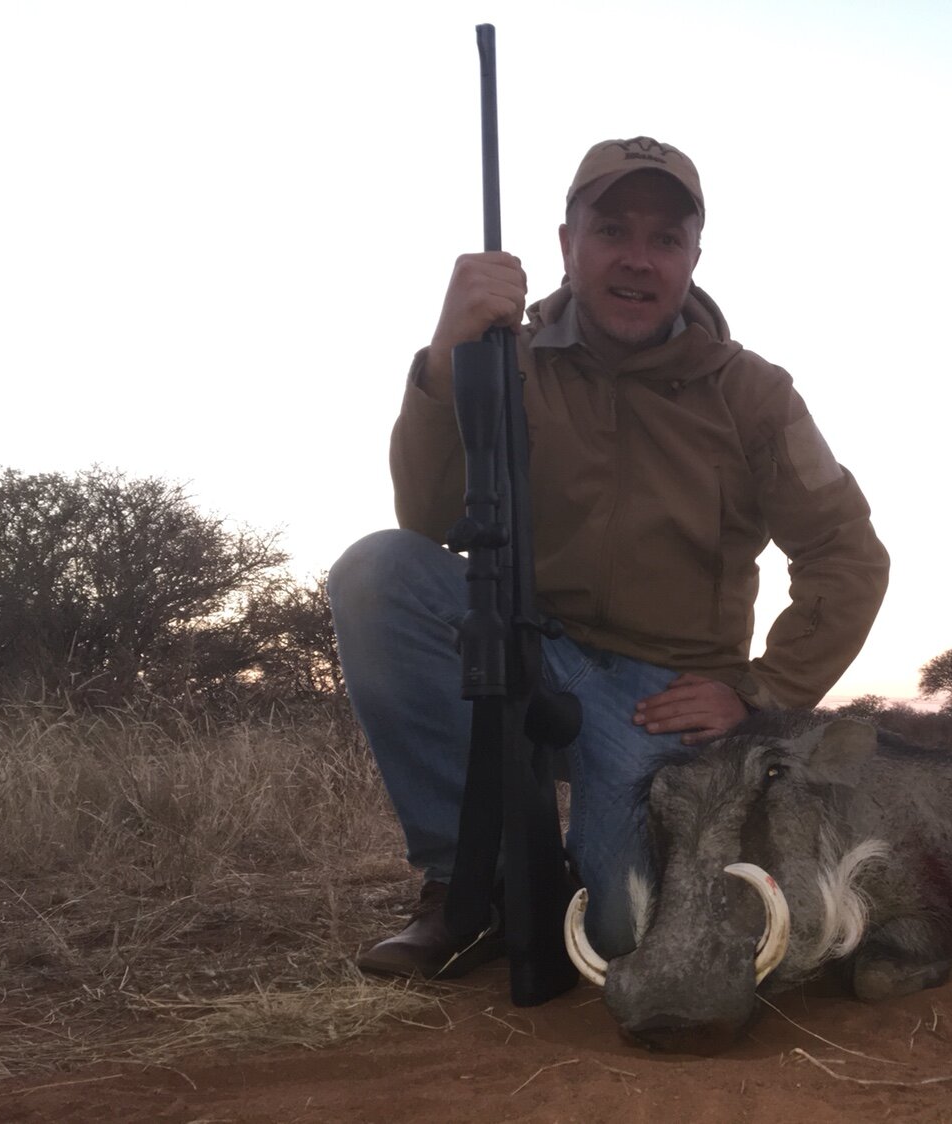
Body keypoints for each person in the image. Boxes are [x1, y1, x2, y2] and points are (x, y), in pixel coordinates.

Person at [328, 136, 889, 979]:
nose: (637, 260)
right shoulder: (497, 357)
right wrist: (446, 353)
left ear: (694, 258)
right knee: (378, 572)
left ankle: (579, 870)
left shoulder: (756, 394)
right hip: (528, 657)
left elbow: (846, 552)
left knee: (623, 927)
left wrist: (762, 692)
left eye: (665, 240)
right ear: (566, 245)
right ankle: (466, 883)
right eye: (612, 230)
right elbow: (428, 516)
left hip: (659, 700)